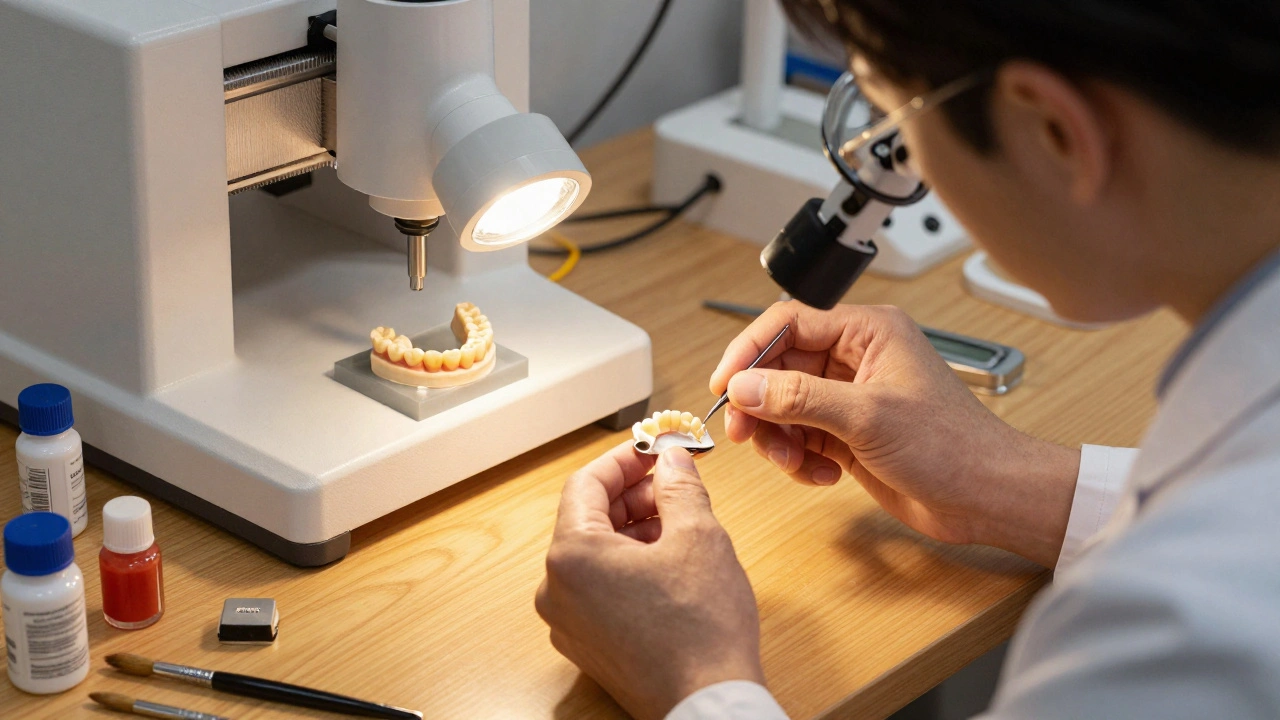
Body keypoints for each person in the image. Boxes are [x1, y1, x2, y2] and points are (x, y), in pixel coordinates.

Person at [535, 1, 1280, 718]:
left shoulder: (1184, 629)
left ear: (1053, 131)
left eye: (900, 129)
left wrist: (694, 681)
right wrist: (1004, 484)